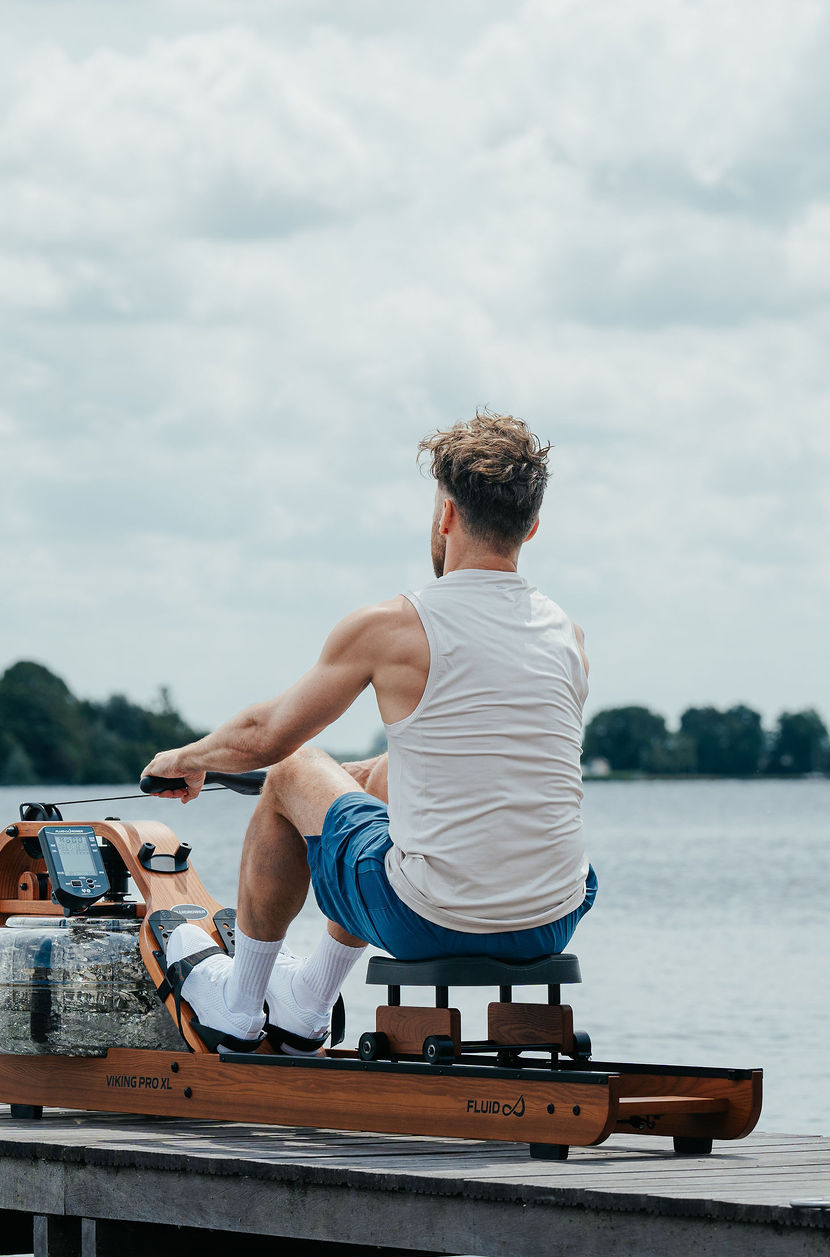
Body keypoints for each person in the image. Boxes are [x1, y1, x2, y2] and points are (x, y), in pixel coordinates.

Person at [141, 411, 594, 1053]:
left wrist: (188, 757)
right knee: (384, 776)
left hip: (429, 921)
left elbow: (268, 735)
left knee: (294, 770)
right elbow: (483, 761)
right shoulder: (567, 636)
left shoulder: (394, 626)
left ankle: (238, 1009)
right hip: (555, 919)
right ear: (532, 526)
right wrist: (362, 782)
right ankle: (301, 1006)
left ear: (446, 515)